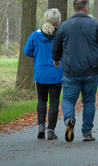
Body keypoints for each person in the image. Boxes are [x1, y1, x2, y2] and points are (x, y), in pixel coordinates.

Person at [52, 0, 98, 142]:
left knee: (68, 99)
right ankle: (87, 132)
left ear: (74, 8)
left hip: (71, 71)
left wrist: (56, 59)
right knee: (89, 101)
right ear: (86, 8)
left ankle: (69, 120)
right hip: (90, 71)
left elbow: (57, 45)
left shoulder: (64, 26)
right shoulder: (95, 25)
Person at [24, 8, 62, 140]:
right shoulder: (60, 35)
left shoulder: (35, 35)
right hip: (56, 73)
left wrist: (38, 56)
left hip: (40, 72)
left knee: (41, 99)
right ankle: (50, 130)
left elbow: (27, 51)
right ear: (58, 22)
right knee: (54, 102)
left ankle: (41, 126)